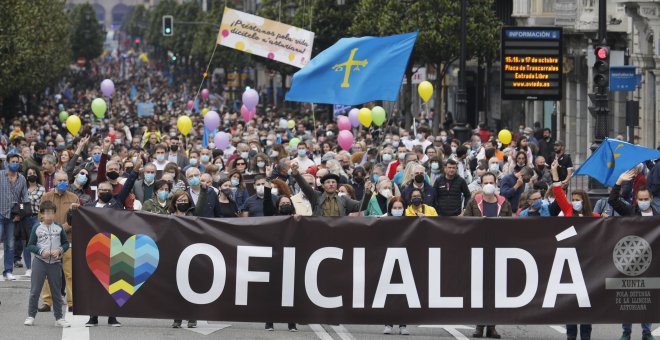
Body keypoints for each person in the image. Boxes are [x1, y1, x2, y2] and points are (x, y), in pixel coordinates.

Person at [608, 170, 656, 340]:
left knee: (648, 298)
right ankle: (626, 331)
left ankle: (646, 331)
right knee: (629, 299)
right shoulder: (631, 212)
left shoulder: (657, 217)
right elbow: (612, 200)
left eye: (645, 199)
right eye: (640, 199)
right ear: (636, 200)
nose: (643, 202)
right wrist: (619, 181)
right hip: (630, 262)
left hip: (652, 264)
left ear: (651, 199)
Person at [463, 172, 511, 338]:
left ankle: (492, 325)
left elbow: (511, 226)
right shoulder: (473, 203)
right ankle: (479, 325)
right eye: (486, 182)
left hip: (498, 251)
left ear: (495, 184)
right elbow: (465, 223)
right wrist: (478, 224)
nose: (489, 184)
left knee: (494, 291)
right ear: (481, 185)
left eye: (491, 182)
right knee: (479, 290)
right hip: (478, 250)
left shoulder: (504, 203)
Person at [24, 200, 70, 328]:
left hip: (55, 263)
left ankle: (59, 318)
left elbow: (65, 244)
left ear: (54, 214)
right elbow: (30, 245)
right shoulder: (37, 228)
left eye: (51, 213)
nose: (49, 215)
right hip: (40, 262)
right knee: (35, 291)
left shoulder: (59, 228)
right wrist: (41, 251)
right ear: (42, 214)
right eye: (46, 213)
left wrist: (59, 250)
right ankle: (31, 316)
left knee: (56, 292)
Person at [262, 181, 297, 331]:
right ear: (277, 206)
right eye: (282, 203)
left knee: (291, 293)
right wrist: (267, 188)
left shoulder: (298, 220)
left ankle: (291, 323)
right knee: (273, 292)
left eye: (287, 202)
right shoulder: (272, 217)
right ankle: (269, 322)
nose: (285, 205)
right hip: (275, 259)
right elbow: (267, 204)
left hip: (292, 260)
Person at [291, 162, 370, 216]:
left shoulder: (343, 199)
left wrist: (367, 193)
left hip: (338, 234)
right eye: (328, 182)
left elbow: (361, 206)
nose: (331, 184)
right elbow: (305, 186)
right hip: (319, 233)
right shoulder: (316, 196)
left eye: (333, 182)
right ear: (322, 186)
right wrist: (296, 173)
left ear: (337, 185)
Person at [1, 153, 29, 281]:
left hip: (13, 217)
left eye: (17, 162)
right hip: (0, 213)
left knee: (10, 245)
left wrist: (20, 214)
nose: (15, 164)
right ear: (7, 162)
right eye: (13, 161)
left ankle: (8, 271)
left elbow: (25, 199)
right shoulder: (0, 176)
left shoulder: (22, 179)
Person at [14, 166, 44, 274]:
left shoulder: (41, 189)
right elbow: (19, 203)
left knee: (38, 242)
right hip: (24, 218)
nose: (32, 175)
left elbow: (43, 204)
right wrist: (20, 212)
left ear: (37, 175)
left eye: (34, 173)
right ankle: (29, 268)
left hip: (36, 217)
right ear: (26, 176)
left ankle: (40, 266)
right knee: (26, 244)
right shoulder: (22, 189)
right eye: (29, 173)